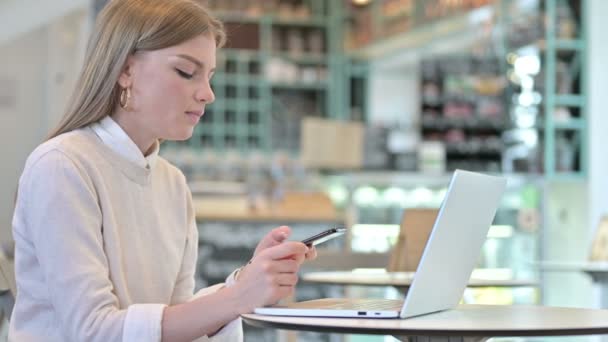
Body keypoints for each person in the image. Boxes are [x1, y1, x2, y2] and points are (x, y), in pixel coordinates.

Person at [9, 0, 316, 341]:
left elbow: (178, 320)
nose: (208, 94)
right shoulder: (62, 166)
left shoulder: (172, 183)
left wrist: (247, 284)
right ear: (125, 70)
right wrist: (235, 298)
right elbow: (93, 331)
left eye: (210, 76)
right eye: (186, 72)